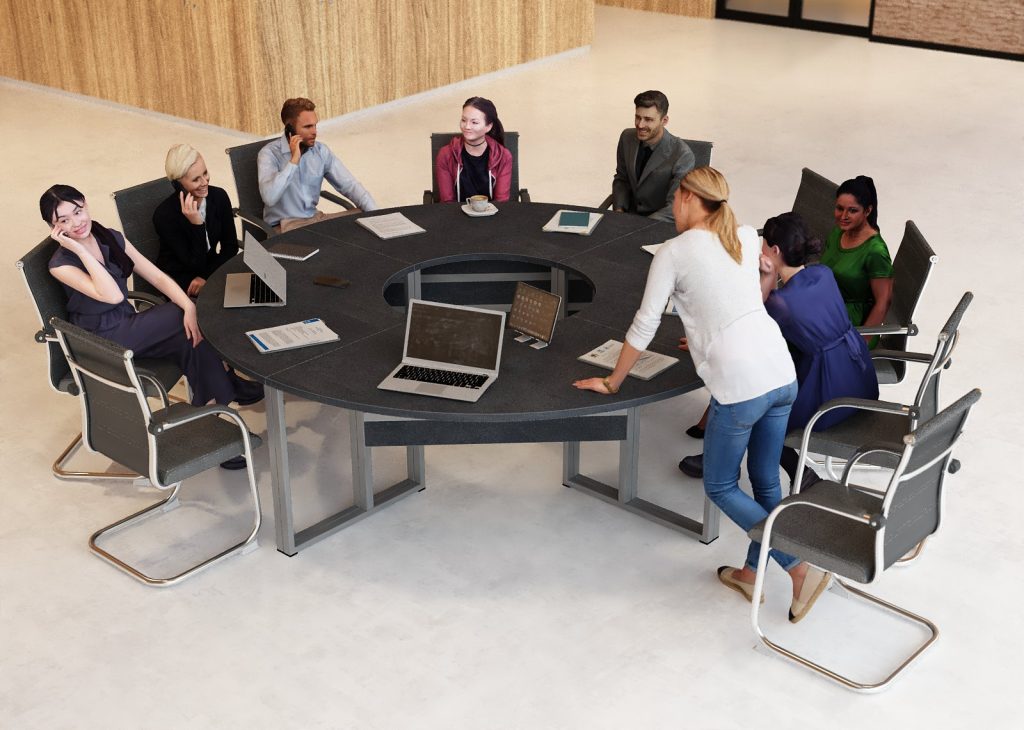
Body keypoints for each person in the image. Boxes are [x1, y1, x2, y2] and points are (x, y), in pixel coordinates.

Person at [574, 167, 831, 623]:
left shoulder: (673, 253)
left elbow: (645, 323)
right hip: (779, 371)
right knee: (766, 480)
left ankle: (796, 566)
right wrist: (702, 332)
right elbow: (743, 300)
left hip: (741, 384)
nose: (673, 206)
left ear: (690, 198)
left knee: (720, 485)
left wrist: (613, 381)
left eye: (676, 198)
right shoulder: (745, 236)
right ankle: (751, 574)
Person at [42, 185, 262, 469]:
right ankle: (226, 387)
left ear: (85, 203)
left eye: (78, 211)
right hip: (101, 340)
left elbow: (157, 277)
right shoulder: (60, 264)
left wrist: (189, 307)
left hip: (127, 324)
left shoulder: (109, 236)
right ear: (54, 228)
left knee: (191, 335)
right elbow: (113, 296)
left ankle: (210, 422)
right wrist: (79, 249)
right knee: (177, 316)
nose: (76, 222)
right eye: (63, 220)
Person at [678, 213, 882, 484]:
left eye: (763, 245)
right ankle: (724, 458)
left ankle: (795, 473)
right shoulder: (822, 273)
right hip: (858, 373)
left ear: (774, 251)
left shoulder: (781, 304)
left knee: (758, 410)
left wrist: (703, 341)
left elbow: (746, 324)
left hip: (828, 389)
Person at [257, 97, 378, 232]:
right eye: (308, 127)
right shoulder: (269, 154)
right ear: (290, 129)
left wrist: (378, 216)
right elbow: (270, 197)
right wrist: (294, 161)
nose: (314, 132)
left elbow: (350, 185)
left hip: (316, 220)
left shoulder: (321, 151)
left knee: (364, 217)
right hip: (285, 227)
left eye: (315, 125)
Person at [153, 143, 238, 296]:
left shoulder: (219, 197)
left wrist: (206, 276)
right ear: (178, 185)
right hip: (179, 280)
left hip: (210, 270)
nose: (205, 182)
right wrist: (197, 224)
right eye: (196, 179)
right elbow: (194, 264)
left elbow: (231, 247)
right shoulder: (164, 215)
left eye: (205, 173)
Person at [820, 175, 893, 345]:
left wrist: (860, 344)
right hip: (828, 311)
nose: (843, 216)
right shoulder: (838, 232)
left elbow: (883, 302)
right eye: (839, 208)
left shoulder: (875, 251)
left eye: (852, 211)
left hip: (853, 327)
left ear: (867, 211)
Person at [611, 90, 695, 222]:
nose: (640, 125)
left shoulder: (683, 155)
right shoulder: (626, 137)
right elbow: (622, 179)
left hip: (657, 222)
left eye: (648, 120)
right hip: (627, 217)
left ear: (664, 120)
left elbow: (675, 206)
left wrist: (639, 226)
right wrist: (619, 210)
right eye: (638, 117)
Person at [435, 97, 513, 203]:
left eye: (474, 122)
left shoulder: (503, 156)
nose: (467, 126)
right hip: (454, 212)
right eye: (463, 120)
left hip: (492, 212)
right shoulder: (446, 154)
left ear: (488, 126)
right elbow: (447, 201)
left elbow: (501, 202)